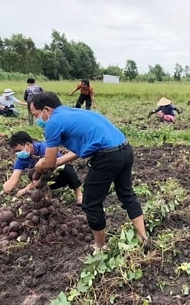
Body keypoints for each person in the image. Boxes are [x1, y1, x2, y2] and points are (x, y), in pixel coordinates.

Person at [30, 92, 148, 252]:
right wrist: (58, 162)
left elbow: (48, 163)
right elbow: (80, 149)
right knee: (127, 195)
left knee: (90, 203)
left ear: (46, 109)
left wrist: (40, 165)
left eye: (36, 115)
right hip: (125, 149)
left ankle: (100, 246)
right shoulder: (74, 113)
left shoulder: (53, 123)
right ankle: (143, 237)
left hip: (107, 156)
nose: (38, 119)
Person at [0, 131, 83, 204]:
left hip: (58, 173)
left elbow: (54, 166)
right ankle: (48, 199)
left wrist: (25, 189)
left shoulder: (44, 148)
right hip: (46, 181)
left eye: (18, 150)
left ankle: (79, 195)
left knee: (67, 169)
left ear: (28, 145)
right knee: (41, 191)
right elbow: (13, 180)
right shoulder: (21, 160)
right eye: (15, 152)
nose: (17, 154)